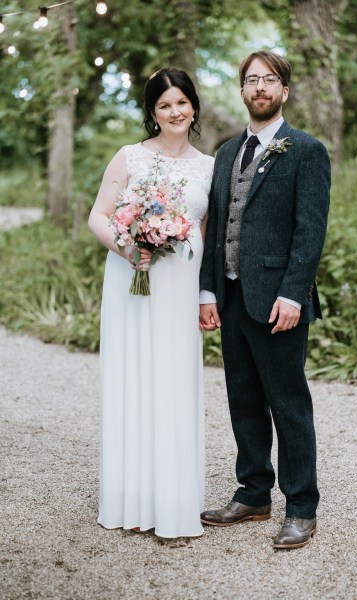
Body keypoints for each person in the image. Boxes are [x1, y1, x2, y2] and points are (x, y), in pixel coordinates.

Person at [199, 51, 330, 549]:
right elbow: (217, 230)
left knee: (288, 403)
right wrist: (208, 290)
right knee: (243, 399)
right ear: (242, 90)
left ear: (284, 91)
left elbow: (310, 231)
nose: (260, 87)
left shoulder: (306, 150)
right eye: (252, 80)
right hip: (232, 298)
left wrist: (294, 294)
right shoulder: (228, 151)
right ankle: (253, 492)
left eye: (269, 80)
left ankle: (301, 506)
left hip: (279, 302)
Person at [89, 68, 214, 538]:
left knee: (174, 382)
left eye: (181, 102)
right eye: (164, 105)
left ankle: (175, 499)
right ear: (152, 113)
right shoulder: (129, 158)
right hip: (132, 283)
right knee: (134, 377)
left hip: (181, 291)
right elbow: (99, 215)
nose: (174, 112)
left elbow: (206, 236)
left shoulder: (208, 165)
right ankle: (130, 498)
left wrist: (206, 295)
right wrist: (126, 247)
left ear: (194, 107)